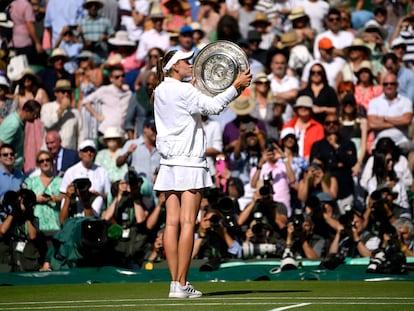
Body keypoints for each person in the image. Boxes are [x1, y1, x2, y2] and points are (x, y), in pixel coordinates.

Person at [152, 49, 251, 298]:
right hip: (189, 163)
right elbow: (215, 107)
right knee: (188, 223)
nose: (191, 63)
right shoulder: (184, 91)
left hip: (169, 163)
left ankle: (175, 283)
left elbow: (186, 105)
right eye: (186, 61)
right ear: (174, 67)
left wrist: (194, 87)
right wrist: (236, 87)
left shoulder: (160, 90)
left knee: (171, 224)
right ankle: (182, 282)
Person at [310, 113, 357, 214]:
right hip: (324, 194)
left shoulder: (348, 144)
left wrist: (336, 146)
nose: (331, 125)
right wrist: (338, 164)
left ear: (339, 125)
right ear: (324, 125)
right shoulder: (318, 145)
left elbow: (351, 161)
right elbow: (313, 165)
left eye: (334, 123)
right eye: (328, 123)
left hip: (344, 191)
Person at [59, 139, 111, 217]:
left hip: (95, 206)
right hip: (76, 207)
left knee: (99, 200)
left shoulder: (102, 171)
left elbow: (108, 194)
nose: (88, 153)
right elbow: (63, 194)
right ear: (80, 154)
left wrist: (97, 194)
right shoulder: (71, 171)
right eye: (85, 150)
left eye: (91, 151)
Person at [82, 65, 132, 140]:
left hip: (121, 132)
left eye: (122, 76)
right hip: (106, 131)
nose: (120, 79)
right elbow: (85, 101)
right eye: (117, 77)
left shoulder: (128, 93)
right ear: (111, 79)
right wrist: (97, 116)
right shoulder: (105, 90)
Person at [13, 68, 49, 173]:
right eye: (24, 78)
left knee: (41, 147)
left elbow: (47, 110)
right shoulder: (18, 96)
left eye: (29, 77)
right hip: (26, 128)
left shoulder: (40, 92)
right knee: (28, 150)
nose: (27, 80)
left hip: (40, 125)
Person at [23, 150, 63, 231]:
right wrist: (36, 199)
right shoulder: (30, 181)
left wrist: (56, 199)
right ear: (38, 164)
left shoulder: (60, 181)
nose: (45, 163)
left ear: (52, 162)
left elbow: (67, 198)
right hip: (35, 227)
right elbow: (23, 203)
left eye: (47, 160)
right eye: (41, 161)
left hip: (55, 225)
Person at [41, 80, 83, 151]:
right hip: (50, 152)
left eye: (68, 92)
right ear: (55, 93)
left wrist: (80, 151)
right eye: (63, 92)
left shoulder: (76, 112)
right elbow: (47, 124)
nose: (66, 94)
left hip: (69, 152)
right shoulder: (47, 107)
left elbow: (81, 135)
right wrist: (61, 109)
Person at [117, 118, 160, 185]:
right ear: (145, 129)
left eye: (157, 130)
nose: (156, 133)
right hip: (137, 191)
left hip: (154, 192)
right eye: (153, 130)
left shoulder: (160, 149)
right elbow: (118, 163)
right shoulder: (131, 143)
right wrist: (128, 153)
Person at [0, 99, 41, 170]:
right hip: (9, 169)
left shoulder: (20, 122)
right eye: (35, 115)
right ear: (27, 111)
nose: (37, 118)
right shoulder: (14, 124)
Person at [281, 95, 324, 160]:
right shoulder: (288, 125)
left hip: (310, 162)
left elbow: (320, 148)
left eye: (306, 107)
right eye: (300, 107)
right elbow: (281, 145)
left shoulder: (318, 128)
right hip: (289, 162)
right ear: (296, 109)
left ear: (310, 110)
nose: (303, 108)